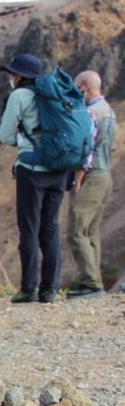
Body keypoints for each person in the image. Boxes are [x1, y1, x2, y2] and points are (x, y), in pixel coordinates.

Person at [0, 53, 66, 303]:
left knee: (29, 229)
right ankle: (51, 288)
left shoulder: (19, 96)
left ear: (18, 76)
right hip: (59, 167)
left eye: (11, 74)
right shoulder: (54, 93)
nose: (10, 78)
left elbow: (4, 135)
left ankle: (29, 288)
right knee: (51, 227)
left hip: (31, 169)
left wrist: (21, 137)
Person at [67, 70, 116, 299]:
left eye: (77, 85)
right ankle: (94, 281)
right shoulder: (109, 111)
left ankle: (92, 283)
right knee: (92, 231)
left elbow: (87, 150)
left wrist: (77, 179)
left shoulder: (90, 113)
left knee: (76, 232)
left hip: (91, 176)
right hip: (105, 175)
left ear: (84, 86)